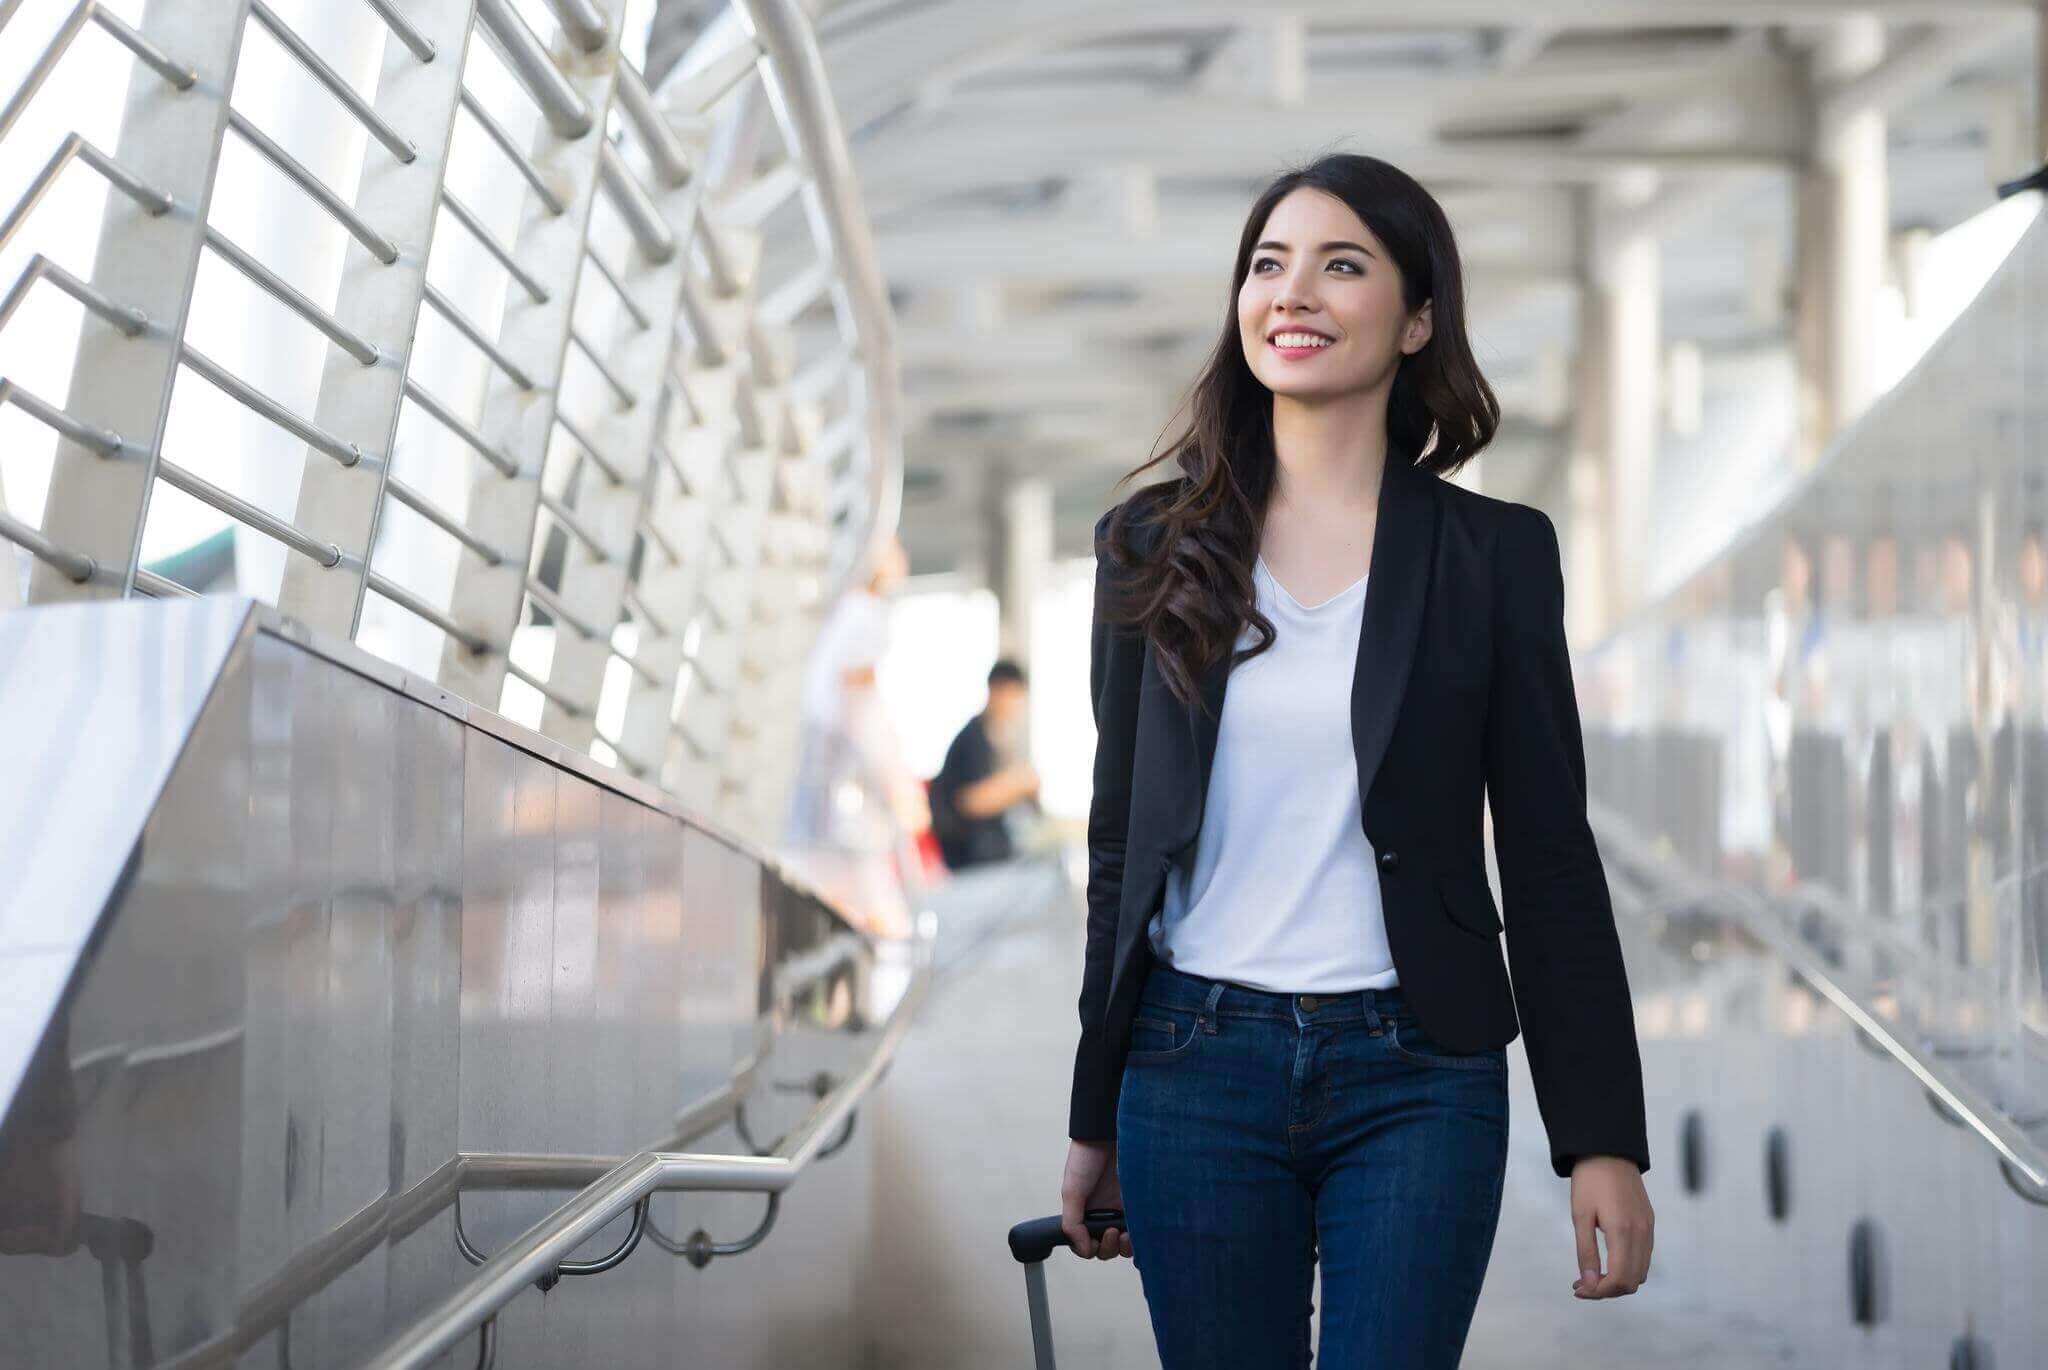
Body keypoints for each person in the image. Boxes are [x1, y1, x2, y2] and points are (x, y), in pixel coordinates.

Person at [1057, 152, 1654, 1368]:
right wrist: (1093, 1110)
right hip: (1190, 1066)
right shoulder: (1149, 546)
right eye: (1268, 265)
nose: (1294, 294)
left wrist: (1601, 1137)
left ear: (1416, 316)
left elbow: (1545, 853)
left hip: (1418, 1071)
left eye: (1342, 265)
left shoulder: (1492, 557)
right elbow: (1118, 843)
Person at [782, 535, 926, 939]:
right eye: (892, 548)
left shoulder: (844, 613)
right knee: (885, 922)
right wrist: (898, 786)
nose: (902, 559)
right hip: (844, 801)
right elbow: (859, 704)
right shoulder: (866, 616)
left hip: (819, 797)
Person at [927, 658, 1039, 870]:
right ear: (995, 690)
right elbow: (969, 802)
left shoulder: (1001, 738)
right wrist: (1015, 785)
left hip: (994, 851)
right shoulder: (973, 738)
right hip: (967, 858)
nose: (1015, 704)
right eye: (1011, 694)